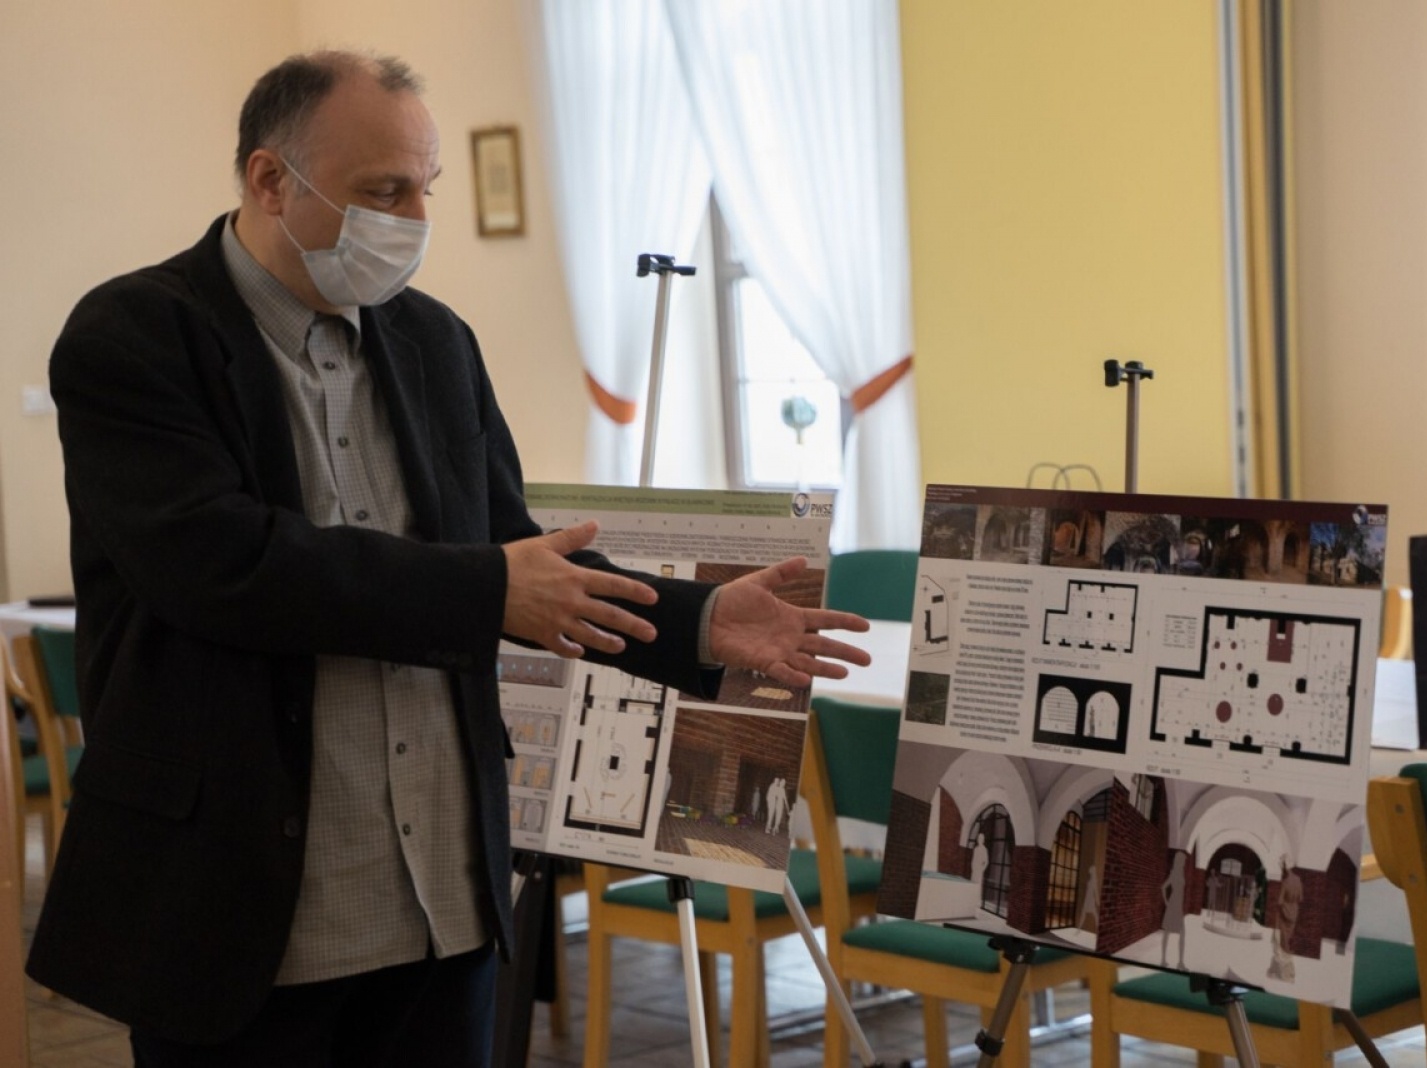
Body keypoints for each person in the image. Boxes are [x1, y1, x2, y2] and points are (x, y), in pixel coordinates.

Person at [25, 49, 870, 1067]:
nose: (415, 220)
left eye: (425, 189)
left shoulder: (434, 341)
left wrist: (697, 621)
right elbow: (224, 566)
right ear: (269, 180)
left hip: (441, 903)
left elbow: (515, 554)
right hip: (237, 903)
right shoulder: (136, 335)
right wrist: (492, 587)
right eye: (383, 192)